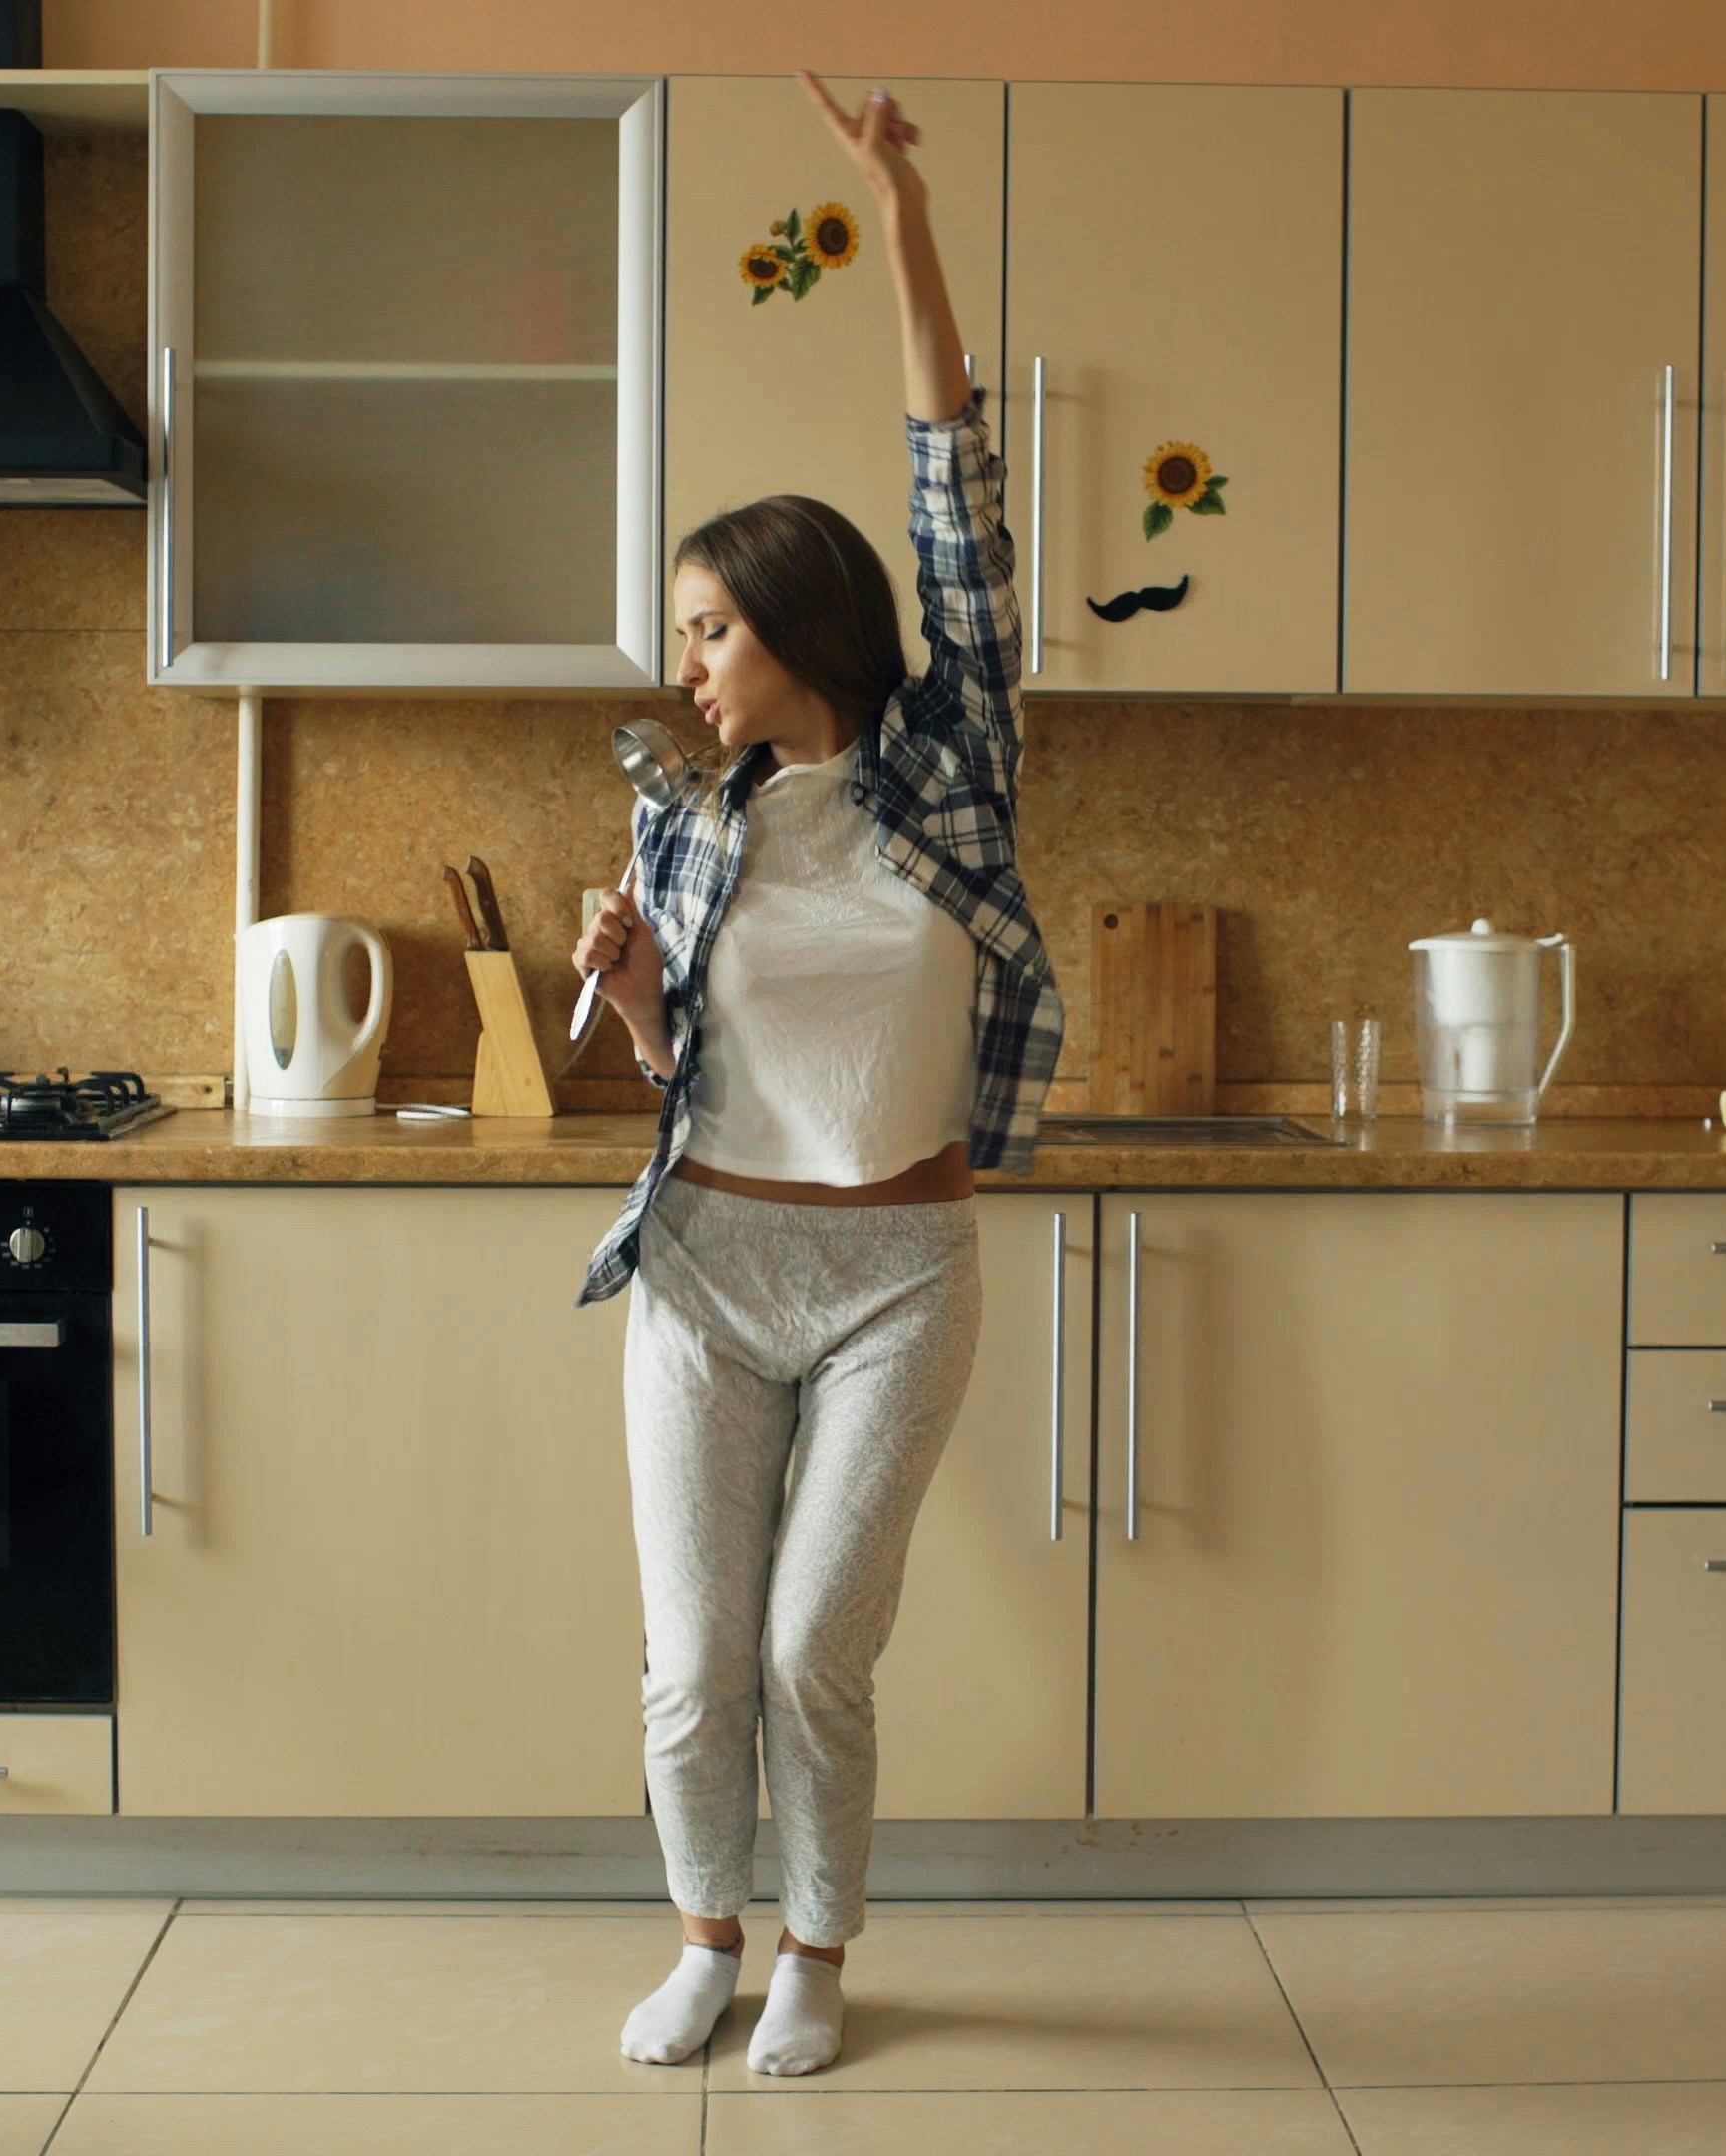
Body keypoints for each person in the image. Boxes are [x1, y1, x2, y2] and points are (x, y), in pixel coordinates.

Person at [568, 70, 1062, 2077]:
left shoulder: (950, 772)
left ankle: (820, 1961)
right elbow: (689, 1068)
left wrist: (899, 206)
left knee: (808, 1655)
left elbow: (954, 469)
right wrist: (624, 999)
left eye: (708, 628)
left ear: (793, 620)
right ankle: (706, 1939)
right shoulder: (690, 823)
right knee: (694, 1670)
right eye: (682, 636)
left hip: (896, 1278)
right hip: (707, 1266)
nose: (687, 667)